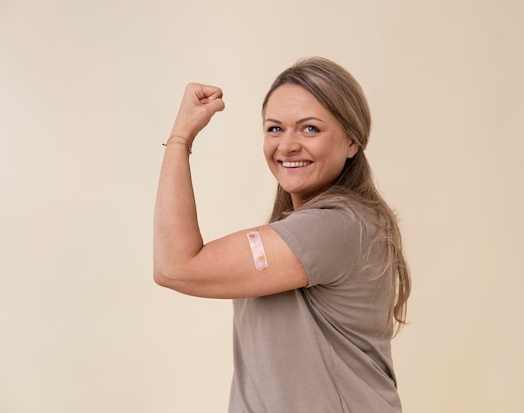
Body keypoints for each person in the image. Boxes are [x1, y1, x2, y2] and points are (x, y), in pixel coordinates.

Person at [153, 57, 411, 413]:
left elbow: (175, 266)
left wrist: (180, 138)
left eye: (309, 129)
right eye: (275, 129)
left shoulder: (336, 225)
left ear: (352, 141)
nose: (287, 145)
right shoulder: (301, 228)